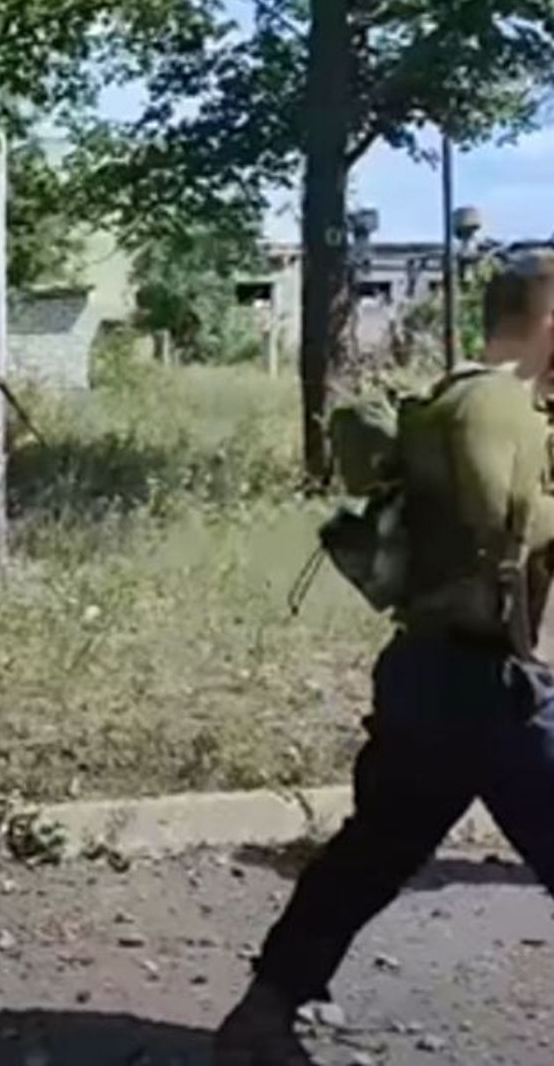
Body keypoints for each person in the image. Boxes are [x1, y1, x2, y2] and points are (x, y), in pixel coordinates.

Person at [214, 250, 554, 1065]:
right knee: (374, 852)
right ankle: (262, 1016)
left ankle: (262, 1014)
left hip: (435, 676)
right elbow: (500, 531)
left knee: (374, 853)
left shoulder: (480, 397)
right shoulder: (491, 404)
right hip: (484, 685)